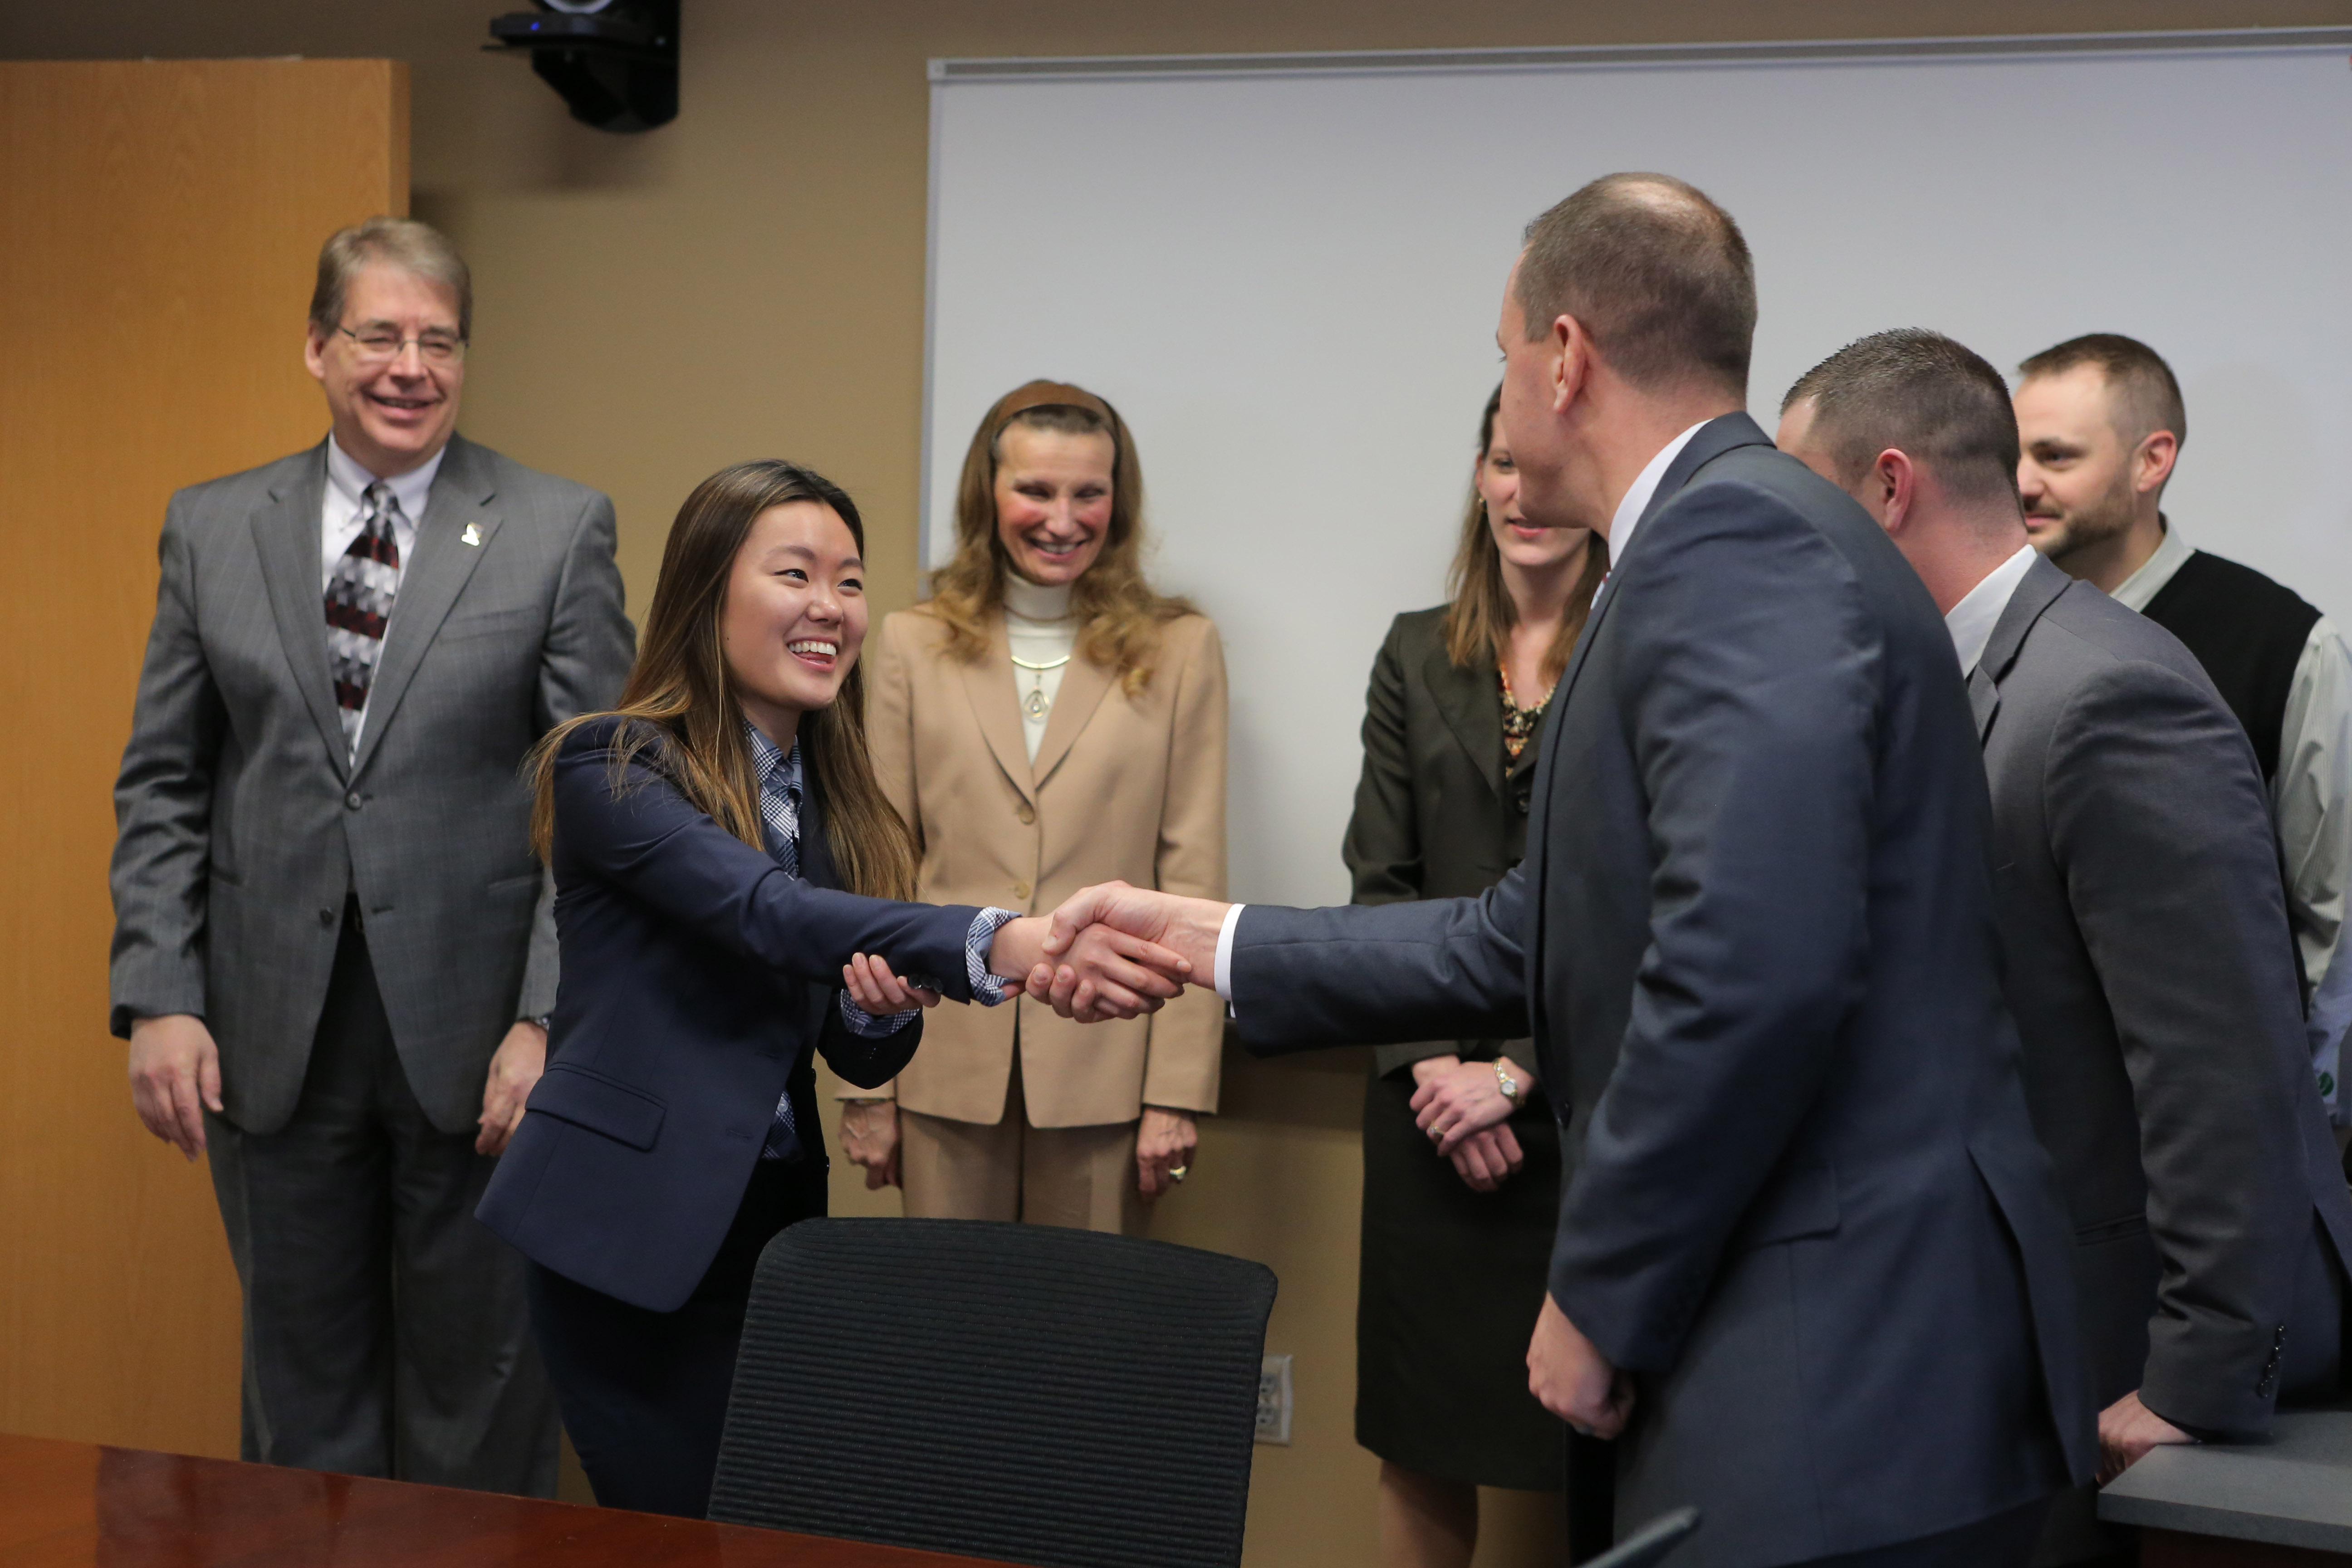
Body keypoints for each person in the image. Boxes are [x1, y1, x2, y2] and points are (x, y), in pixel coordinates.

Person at [1033, 174, 2092, 1568]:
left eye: (1502, 354)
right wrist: (1211, 938)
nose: (1509, 389)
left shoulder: (1736, 542)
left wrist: (1599, 1292)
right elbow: (1530, 932)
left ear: (1566, 357)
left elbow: (1749, 962)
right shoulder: (1688, 551)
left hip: (1841, 1373)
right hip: (1815, 1356)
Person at [473, 460, 1181, 1517]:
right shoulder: (613, 766)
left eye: (850, 582)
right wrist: (1006, 942)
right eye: (795, 574)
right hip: (624, 1228)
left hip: (768, 1226)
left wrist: (869, 1005)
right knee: (677, 1525)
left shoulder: (838, 801)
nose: (829, 608)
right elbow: (767, 915)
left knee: (769, 1522)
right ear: (708, 594)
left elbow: (856, 1044)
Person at [1779, 328, 2352, 1565]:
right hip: (1994, 1311)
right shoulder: (1936, 674)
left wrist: (2197, 1379)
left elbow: (2222, 1066)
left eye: (1798, 501)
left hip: (2125, 1336)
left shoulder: (2104, 693)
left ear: (1888, 489)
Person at [108, 216, 636, 1494]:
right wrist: (161, 996)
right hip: (266, 1032)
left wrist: (550, 1020)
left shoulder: (555, 529)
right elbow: (167, 781)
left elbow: (605, 806)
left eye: (439, 341)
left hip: (482, 1045)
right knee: (302, 1404)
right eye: (380, 335)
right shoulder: (213, 526)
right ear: (318, 346)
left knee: (483, 1399)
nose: (411, 366)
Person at [839, 380, 1227, 1234]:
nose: (1063, 518)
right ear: (990, 495)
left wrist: (1175, 1092)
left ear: (1117, 503)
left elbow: (1193, 877)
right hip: (941, 1062)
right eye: (1036, 491)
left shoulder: (1182, 649)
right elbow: (882, 867)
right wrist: (867, 1083)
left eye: (1089, 492)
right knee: (949, 1331)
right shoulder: (910, 643)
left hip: (1108, 1069)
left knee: (1081, 1343)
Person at [1343, 384, 1597, 1567]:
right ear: (1481, 475)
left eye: (1544, 466)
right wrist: (1441, 1068)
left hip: (1588, 1108)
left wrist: (1520, 1075)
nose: (1523, 492)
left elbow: (1656, 913)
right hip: (1422, 1104)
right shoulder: (1414, 651)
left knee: (1591, 1435)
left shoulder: (1646, 650)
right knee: (1422, 1433)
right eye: (1502, 463)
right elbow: (1380, 886)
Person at [2013, 335, 2352, 1117]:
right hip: (2032, 1123)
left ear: (2150, 461)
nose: (2022, 482)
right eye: (2015, 454)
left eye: (2056, 457)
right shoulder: (1989, 633)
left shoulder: (2284, 645)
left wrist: (2307, 1109)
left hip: (2223, 1116)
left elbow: (2331, 917)